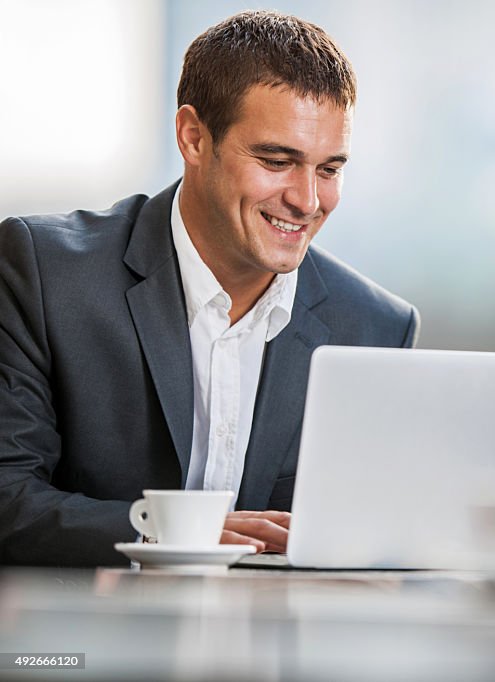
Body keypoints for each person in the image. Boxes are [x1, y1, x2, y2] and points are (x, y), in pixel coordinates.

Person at [0, 10, 419, 566]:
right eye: (277, 161)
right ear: (194, 138)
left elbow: (376, 534)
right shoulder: (46, 272)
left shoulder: (374, 328)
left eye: (328, 169)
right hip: (82, 642)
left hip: (279, 646)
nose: (307, 201)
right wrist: (173, 534)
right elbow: (7, 496)